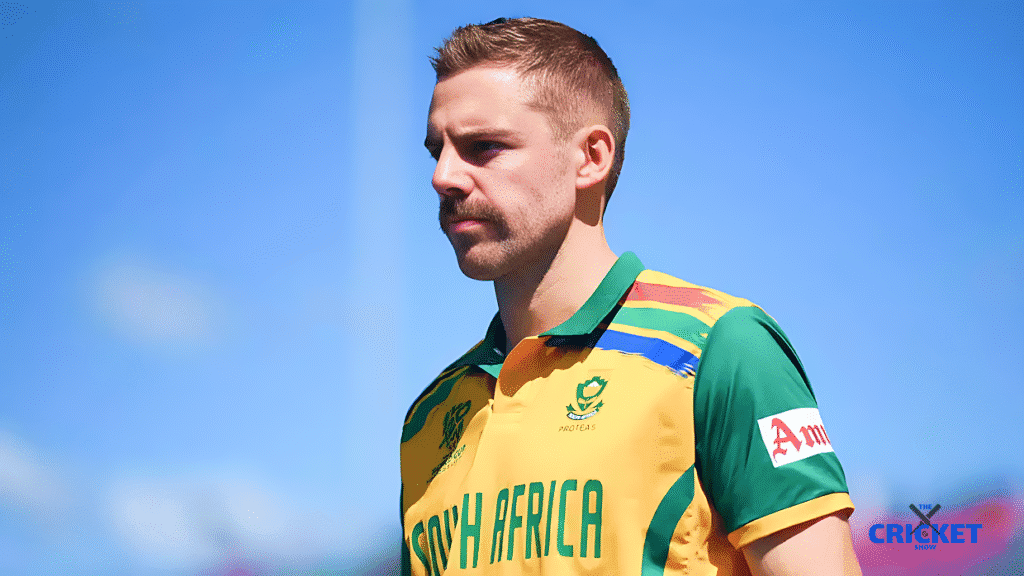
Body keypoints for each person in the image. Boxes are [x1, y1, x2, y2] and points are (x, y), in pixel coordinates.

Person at [400, 17, 863, 576]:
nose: (443, 176)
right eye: (438, 151)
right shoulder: (429, 417)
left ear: (591, 157)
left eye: (483, 147)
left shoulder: (721, 348)